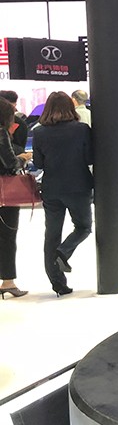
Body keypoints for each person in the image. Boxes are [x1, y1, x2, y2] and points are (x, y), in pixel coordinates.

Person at [31, 92, 93, 296]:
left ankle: (58, 283)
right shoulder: (81, 129)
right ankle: (63, 252)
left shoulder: (39, 132)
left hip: (51, 188)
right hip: (78, 186)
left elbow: (39, 164)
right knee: (83, 227)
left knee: (52, 234)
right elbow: (90, 157)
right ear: (71, 107)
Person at [0, 98, 29, 299]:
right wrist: (23, 158)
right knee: (7, 236)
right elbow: (11, 164)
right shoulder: (1, 133)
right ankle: (8, 281)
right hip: (5, 193)